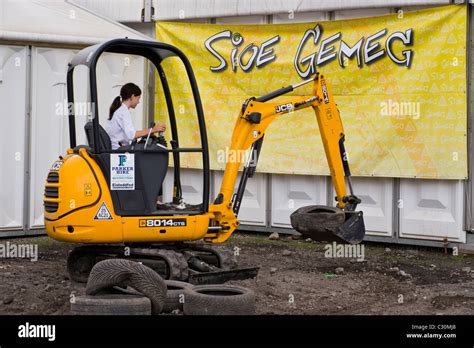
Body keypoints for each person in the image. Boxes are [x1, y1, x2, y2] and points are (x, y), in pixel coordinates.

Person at [105, 82, 166, 150]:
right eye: (138, 98)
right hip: (118, 151)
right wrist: (154, 129)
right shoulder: (123, 112)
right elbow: (132, 135)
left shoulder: (119, 109)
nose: (138, 102)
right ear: (132, 96)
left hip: (116, 148)